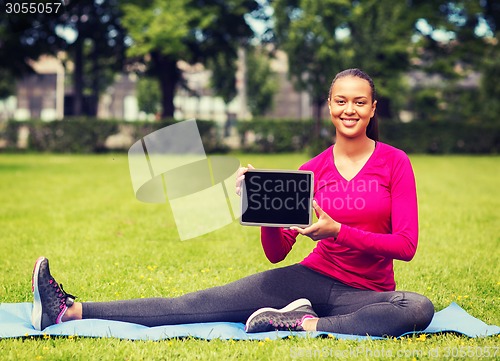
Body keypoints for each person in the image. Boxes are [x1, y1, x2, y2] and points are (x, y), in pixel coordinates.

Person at [31, 68, 434, 336]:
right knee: (195, 304)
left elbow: (406, 246)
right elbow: (276, 254)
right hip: (310, 277)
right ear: (329, 105)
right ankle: (69, 310)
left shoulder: (394, 163)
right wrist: (259, 206)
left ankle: (304, 323)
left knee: (417, 308)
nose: (350, 109)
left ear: (372, 108)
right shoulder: (311, 170)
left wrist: (338, 232)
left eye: (359, 102)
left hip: (365, 292)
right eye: (341, 101)